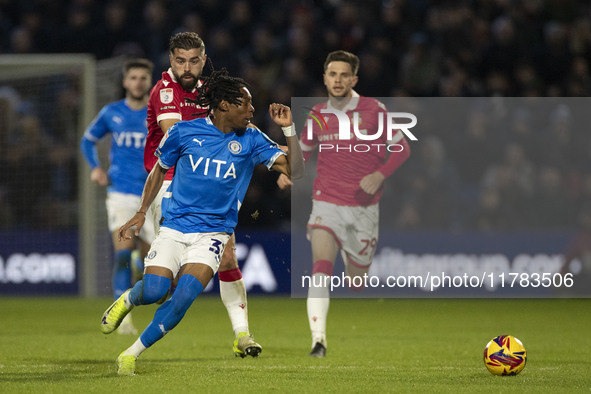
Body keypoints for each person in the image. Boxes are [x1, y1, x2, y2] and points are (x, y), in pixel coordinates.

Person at [100, 69, 304, 376]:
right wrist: (142, 211)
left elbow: (295, 170)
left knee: (182, 298)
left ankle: (131, 353)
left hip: (213, 234)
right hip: (174, 227)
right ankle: (129, 298)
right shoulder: (183, 133)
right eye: (245, 104)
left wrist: (289, 130)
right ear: (223, 105)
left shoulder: (251, 139)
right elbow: (158, 171)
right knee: (155, 291)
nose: (251, 110)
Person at [278, 50, 411, 357]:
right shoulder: (318, 115)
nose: (338, 80)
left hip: (363, 209)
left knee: (356, 282)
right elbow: (304, 157)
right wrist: (286, 173)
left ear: (354, 79)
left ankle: (357, 266)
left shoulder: (373, 109)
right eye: (332, 74)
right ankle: (318, 341)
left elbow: (402, 148)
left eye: (344, 75)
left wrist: (380, 174)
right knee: (320, 267)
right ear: (325, 78)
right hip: (326, 202)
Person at [144, 31, 261, 356]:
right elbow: (176, 134)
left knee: (227, 255)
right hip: (168, 184)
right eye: (180, 60)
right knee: (163, 283)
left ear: (204, 59)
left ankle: (242, 335)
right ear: (171, 61)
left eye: (194, 60)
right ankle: (133, 301)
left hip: (204, 182)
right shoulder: (165, 91)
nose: (187, 67)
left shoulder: (210, 93)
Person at [80, 58, 155, 335]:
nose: (138, 82)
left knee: (151, 262)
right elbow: (87, 140)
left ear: (150, 82)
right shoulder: (112, 112)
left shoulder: (157, 114)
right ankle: (122, 316)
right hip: (121, 194)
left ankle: (140, 263)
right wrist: (96, 168)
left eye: (143, 78)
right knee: (122, 254)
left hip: (152, 195)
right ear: (125, 81)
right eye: (133, 77)